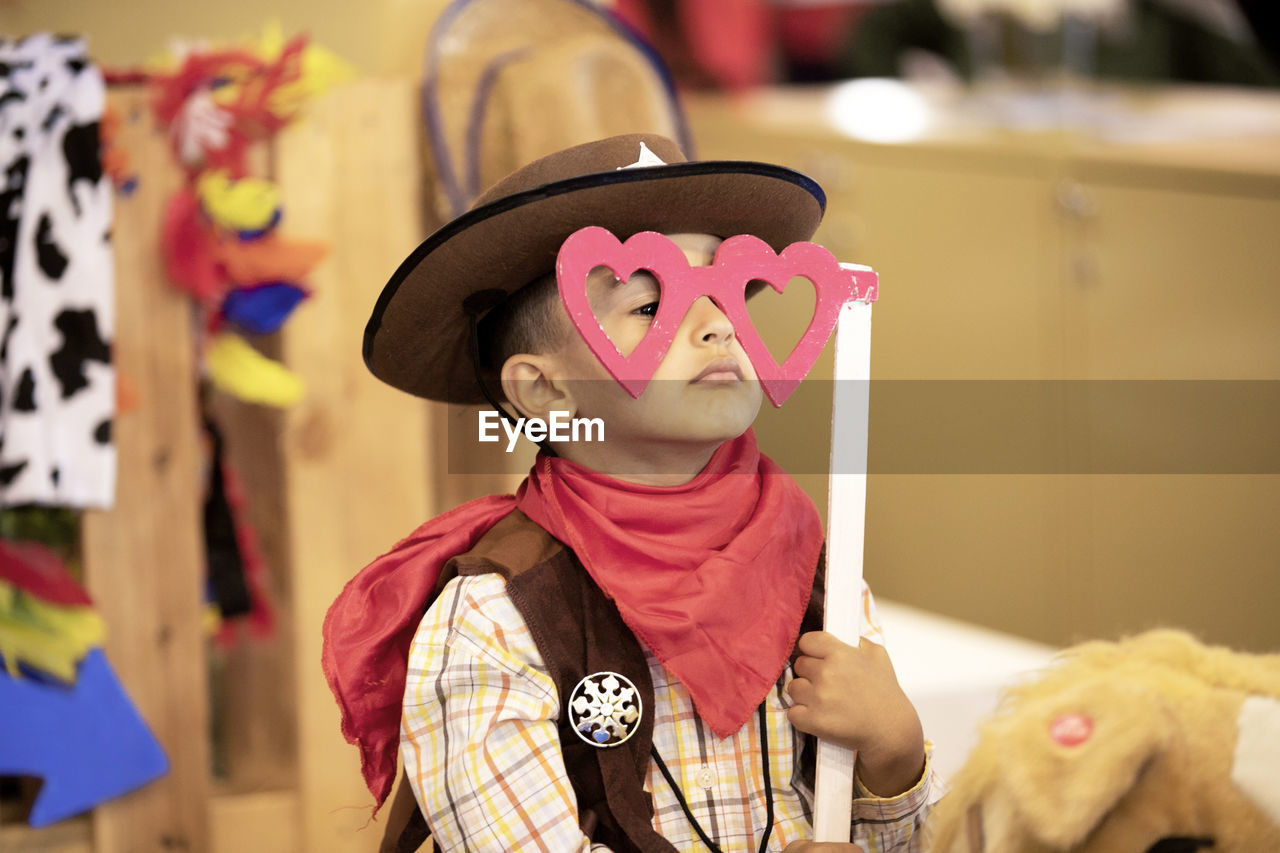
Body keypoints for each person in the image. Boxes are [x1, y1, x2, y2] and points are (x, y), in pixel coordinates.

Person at [322, 133, 940, 852]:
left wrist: (894, 755)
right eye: (651, 307)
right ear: (548, 390)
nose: (717, 325)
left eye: (726, 294)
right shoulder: (497, 619)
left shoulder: (815, 573)